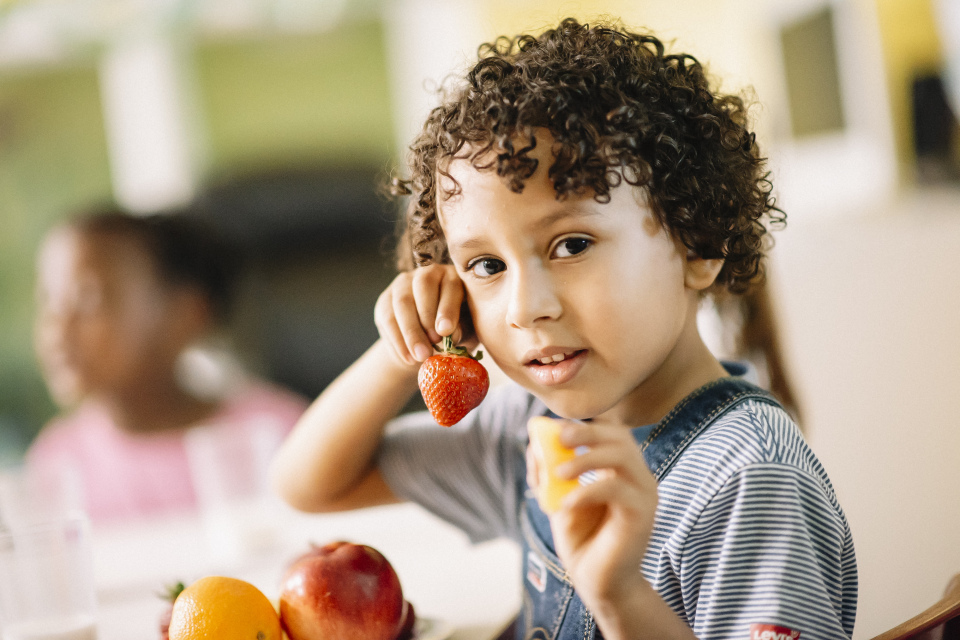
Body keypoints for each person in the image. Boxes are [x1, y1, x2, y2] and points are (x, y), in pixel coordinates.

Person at [271, 18, 856, 640]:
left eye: (572, 244)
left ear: (698, 242)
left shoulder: (748, 478)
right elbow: (310, 485)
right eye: (487, 266)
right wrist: (402, 351)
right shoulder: (531, 430)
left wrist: (621, 596)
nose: (525, 308)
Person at [28, 208, 308, 522]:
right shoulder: (56, 462)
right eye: (48, 299)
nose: (57, 327)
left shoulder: (280, 433)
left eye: (88, 298)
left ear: (185, 316)